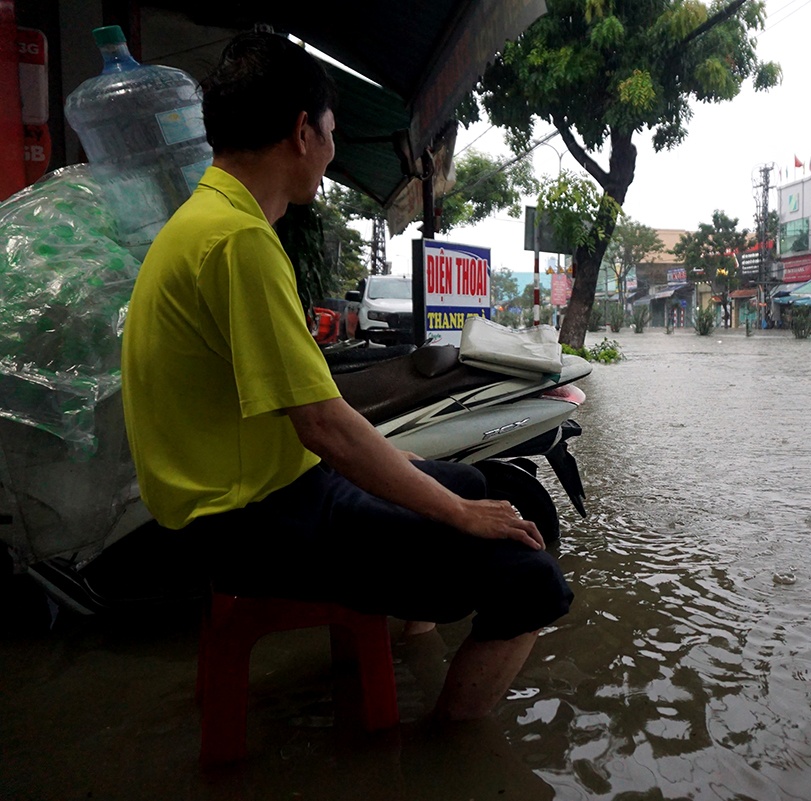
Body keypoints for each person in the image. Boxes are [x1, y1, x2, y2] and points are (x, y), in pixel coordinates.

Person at [120, 32, 572, 721]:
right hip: (253, 521)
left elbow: (309, 415)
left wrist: (435, 485)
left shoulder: (205, 223)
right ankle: (444, 766)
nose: (332, 154)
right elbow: (324, 423)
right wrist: (455, 515)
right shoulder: (238, 241)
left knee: (470, 479)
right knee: (529, 578)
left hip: (246, 495)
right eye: (331, 133)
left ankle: (396, 654)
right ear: (302, 133)